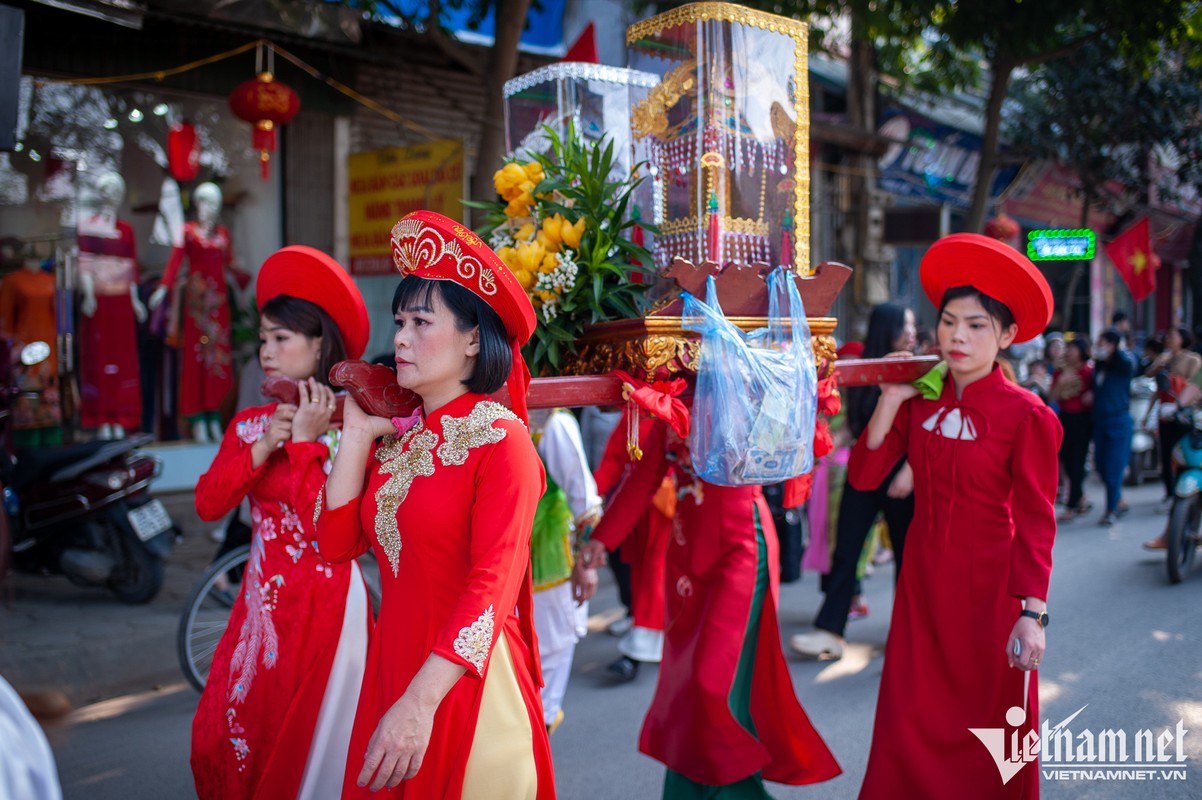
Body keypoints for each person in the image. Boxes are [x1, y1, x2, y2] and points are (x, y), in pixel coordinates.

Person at [316, 210, 553, 798]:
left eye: (422, 321)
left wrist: (420, 703)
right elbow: (335, 543)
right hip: (393, 672)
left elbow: (492, 587)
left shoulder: (502, 440)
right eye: (399, 320)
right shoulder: (402, 442)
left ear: (474, 337)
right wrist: (357, 435)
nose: (399, 337)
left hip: (463, 687)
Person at [852, 233, 1060, 799]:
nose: (957, 337)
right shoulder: (920, 399)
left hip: (993, 596)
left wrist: (1032, 615)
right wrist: (891, 400)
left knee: (993, 739)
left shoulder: (1028, 416)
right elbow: (864, 477)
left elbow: (1038, 521)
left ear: (1008, 336)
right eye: (948, 322)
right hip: (922, 591)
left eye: (976, 326)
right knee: (909, 724)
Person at [582, 378, 841, 798]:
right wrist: (600, 540)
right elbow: (645, 477)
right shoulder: (674, 397)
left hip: (740, 550)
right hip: (686, 555)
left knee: (712, 684)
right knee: (688, 685)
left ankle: (735, 792)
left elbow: (777, 455)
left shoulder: (755, 385)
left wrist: (764, 397)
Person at [190, 246, 373, 800]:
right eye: (262, 340)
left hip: (328, 607)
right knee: (220, 733)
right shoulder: (251, 424)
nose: (266, 352)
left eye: (280, 339)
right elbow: (206, 504)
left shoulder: (353, 423)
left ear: (319, 344)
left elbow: (327, 527)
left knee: (312, 745)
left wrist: (302, 447)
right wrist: (265, 445)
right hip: (260, 608)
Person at [791, 302, 917, 661]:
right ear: (887, 327)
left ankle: (908, 634)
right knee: (845, 551)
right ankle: (830, 630)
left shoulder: (919, 367)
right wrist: (823, 450)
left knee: (908, 558)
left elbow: (925, 427)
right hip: (862, 472)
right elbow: (853, 427)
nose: (911, 332)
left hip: (902, 474)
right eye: (905, 324)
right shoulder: (862, 369)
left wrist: (911, 471)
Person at [527, 407, 601, 732]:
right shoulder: (551, 420)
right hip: (512, 557)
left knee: (546, 656)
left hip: (546, 557)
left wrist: (584, 563)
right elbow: (584, 501)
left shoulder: (551, 420)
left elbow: (583, 502)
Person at [149, 181, 235, 443]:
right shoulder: (187, 232)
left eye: (215, 203)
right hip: (197, 307)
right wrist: (163, 289)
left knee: (217, 364)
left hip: (217, 308)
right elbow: (175, 262)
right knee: (196, 361)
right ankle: (197, 420)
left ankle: (214, 417)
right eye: (206, 202)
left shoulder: (222, 234)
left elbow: (228, 266)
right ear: (197, 203)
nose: (210, 208)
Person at [77, 172, 146, 439]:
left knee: (123, 360)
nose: (112, 198)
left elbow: (131, 267)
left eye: (117, 192)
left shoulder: (126, 229)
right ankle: (101, 417)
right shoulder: (89, 226)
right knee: (101, 358)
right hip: (100, 300)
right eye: (108, 192)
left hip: (120, 302)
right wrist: (89, 294)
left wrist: (135, 299)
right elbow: (84, 263)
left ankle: (121, 416)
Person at [1144, 327, 1202, 503]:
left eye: (1172, 336)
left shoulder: (1192, 359)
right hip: (1169, 413)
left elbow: (1194, 387)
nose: (1168, 339)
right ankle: (1171, 496)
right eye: (1167, 336)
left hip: (1185, 416)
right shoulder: (1165, 359)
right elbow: (1151, 379)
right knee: (1170, 456)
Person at [1092, 328, 1136, 526]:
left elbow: (1132, 364)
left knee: (1113, 468)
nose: (1099, 347)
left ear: (1112, 345)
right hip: (1100, 422)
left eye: (1102, 343)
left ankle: (1111, 509)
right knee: (1100, 465)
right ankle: (1118, 498)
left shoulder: (1123, 363)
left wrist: (1116, 348)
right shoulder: (1099, 366)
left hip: (1119, 420)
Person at [1050, 339, 1094, 521]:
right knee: (1066, 460)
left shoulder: (1089, 371)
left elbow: (1098, 391)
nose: (1069, 351)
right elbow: (1052, 396)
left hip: (1083, 420)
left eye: (1073, 348)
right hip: (1065, 418)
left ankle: (1071, 505)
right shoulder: (1061, 370)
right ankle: (1080, 498)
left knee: (1078, 461)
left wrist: (1092, 395)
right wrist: (1062, 382)